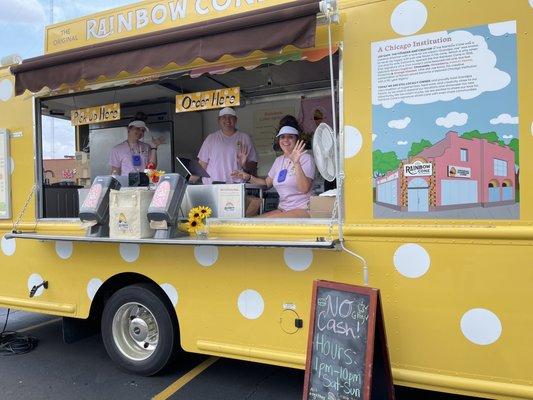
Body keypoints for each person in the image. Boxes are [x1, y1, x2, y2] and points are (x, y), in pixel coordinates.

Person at [232, 125, 315, 218]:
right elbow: (267, 183)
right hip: (283, 209)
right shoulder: (279, 160)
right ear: (279, 141)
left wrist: (296, 163)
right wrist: (247, 177)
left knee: (269, 224)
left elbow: (304, 188)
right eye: (282, 137)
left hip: (303, 208)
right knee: (255, 222)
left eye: (290, 137)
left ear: (297, 140)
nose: (286, 140)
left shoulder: (306, 158)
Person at [197, 107, 257, 184]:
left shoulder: (244, 138)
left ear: (236, 120)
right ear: (218, 120)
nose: (227, 120)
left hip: (235, 187)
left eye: (230, 117)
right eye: (224, 117)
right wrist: (189, 179)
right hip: (212, 186)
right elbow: (202, 165)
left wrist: (244, 164)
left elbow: (253, 166)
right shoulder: (211, 138)